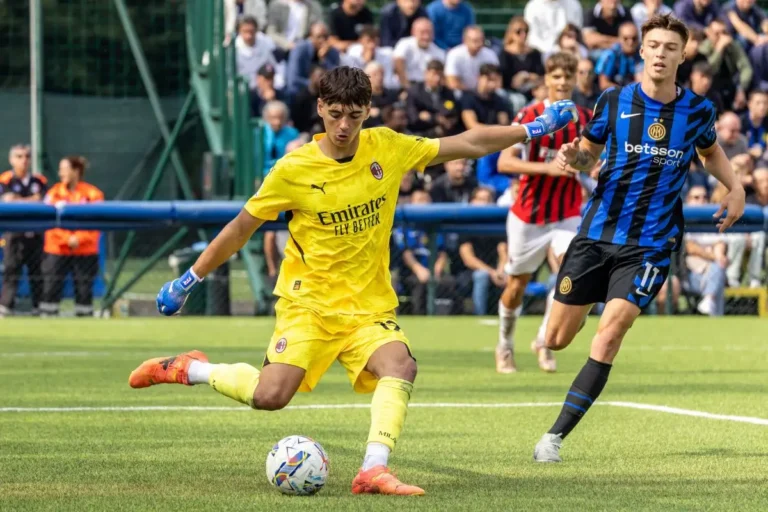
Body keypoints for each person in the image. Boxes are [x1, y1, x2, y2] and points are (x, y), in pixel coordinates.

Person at [127, 66, 578, 495]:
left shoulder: (387, 146)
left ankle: (372, 469)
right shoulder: (293, 170)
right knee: (270, 396)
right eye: (336, 114)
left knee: (400, 365)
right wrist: (190, 277)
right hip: (308, 307)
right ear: (321, 108)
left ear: (368, 113)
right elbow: (241, 228)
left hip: (368, 308)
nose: (344, 126)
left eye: (355, 116)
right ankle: (190, 368)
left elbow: (466, 142)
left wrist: (530, 130)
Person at [531, 14, 745, 463]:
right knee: (554, 340)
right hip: (595, 235)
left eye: (671, 47)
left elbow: (710, 153)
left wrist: (737, 186)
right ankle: (574, 310)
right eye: (654, 45)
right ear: (642, 51)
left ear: (682, 55)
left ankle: (553, 438)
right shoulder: (612, 100)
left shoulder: (699, 110)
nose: (661, 53)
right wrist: (575, 154)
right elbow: (589, 150)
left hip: (651, 244)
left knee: (610, 333)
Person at [495, 52, 592, 374]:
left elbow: (590, 163)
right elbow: (504, 162)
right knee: (517, 285)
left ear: (576, 80)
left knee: (570, 276)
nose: (563, 82)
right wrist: (548, 168)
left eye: (568, 76)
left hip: (567, 212)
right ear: (546, 80)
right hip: (528, 214)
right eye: (557, 76)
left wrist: (578, 158)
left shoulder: (585, 118)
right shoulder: (529, 114)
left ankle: (543, 341)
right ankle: (505, 345)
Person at [40, 156, 104, 317]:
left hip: (85, 252)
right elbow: (48, 222)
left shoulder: (93, 194)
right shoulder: (54, 193)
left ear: (75, 171)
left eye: (64, 169)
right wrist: (67, 239)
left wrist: (78, 239)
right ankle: (47, 321)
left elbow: (97, 222)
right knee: (51, 288)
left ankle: (84, 323)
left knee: (84, 291)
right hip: (57, 250)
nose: (61, 173)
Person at [0, 144, 47, 317]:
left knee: (38, 271)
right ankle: (5, 307)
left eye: (27, 156)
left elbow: (43, 201)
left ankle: (38, 308)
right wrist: (31, 200)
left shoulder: (39, 180)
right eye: (19, 156)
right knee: (11, 270)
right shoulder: (5, 179)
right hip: (13, 235)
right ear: (11, 160)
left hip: (35, 234)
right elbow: (7, 200)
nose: (24, 160)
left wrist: (20, 200)